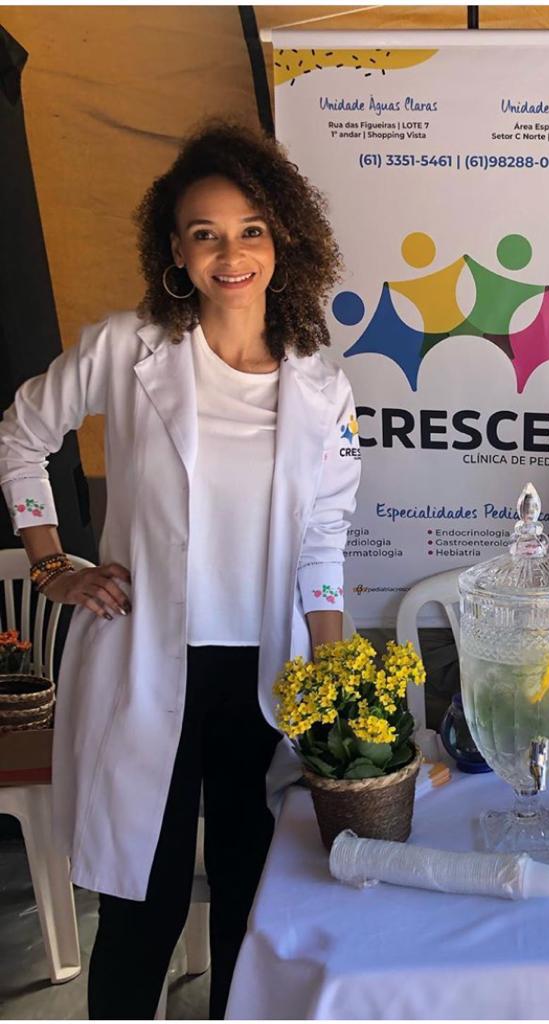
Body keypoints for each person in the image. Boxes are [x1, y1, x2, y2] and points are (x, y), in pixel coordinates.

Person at [0, 121, 360, 1018]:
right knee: (142, 909)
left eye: (250, 231)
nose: (230, 255)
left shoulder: (322, 386)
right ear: (175, 249)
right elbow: (21, 436)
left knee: (251, 898)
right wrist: (53, 566)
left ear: (282, 240)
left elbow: (324, 541)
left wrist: (334, 665)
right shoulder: (126, 349)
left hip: (264, 675)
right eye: (206, 234)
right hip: (148, 661)